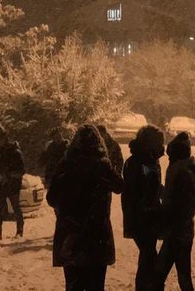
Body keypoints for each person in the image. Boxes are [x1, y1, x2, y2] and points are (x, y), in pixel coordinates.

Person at [47, 124, 124, 291]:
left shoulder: (65, 165)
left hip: (70, 233)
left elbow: (51, 198)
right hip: (96, 234)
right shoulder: (102, 166)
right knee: (95, 285)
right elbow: (119, 186)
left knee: (73, 285)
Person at [155, 131, 195, 291]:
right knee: (182, 272)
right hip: (183, 227)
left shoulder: (188, 167)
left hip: (178, 227)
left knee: (160, 273)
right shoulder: (186, 166)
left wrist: (188, 173)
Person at [122, 124, 166, 291]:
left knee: (148, 256)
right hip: (143, 218)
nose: (163, 146)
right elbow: (146, 189)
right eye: (160, 142)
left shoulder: (143, 160)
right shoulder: (141, 162)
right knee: (149, 256)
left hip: (142, 216)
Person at [0, 138, 25, 242]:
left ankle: (19, 232)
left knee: (15, 208)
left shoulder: (16, 154)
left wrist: (10, 175)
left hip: (13, 186)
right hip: (1, 186)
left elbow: (21, 171)